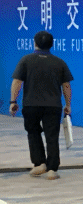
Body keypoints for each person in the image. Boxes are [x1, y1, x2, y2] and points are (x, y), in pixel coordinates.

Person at [10, 30, 72, 180]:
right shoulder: (59, 62)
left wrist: (13, 101)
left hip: (31, 104)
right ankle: (52, 169)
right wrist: (68, 104)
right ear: (51, 44)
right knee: (52, 136)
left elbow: (17, 81)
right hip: (53, 106)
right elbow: (66, 85)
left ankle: (39, 164)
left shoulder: (26, 60)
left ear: (35, 43)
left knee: (33, 133)